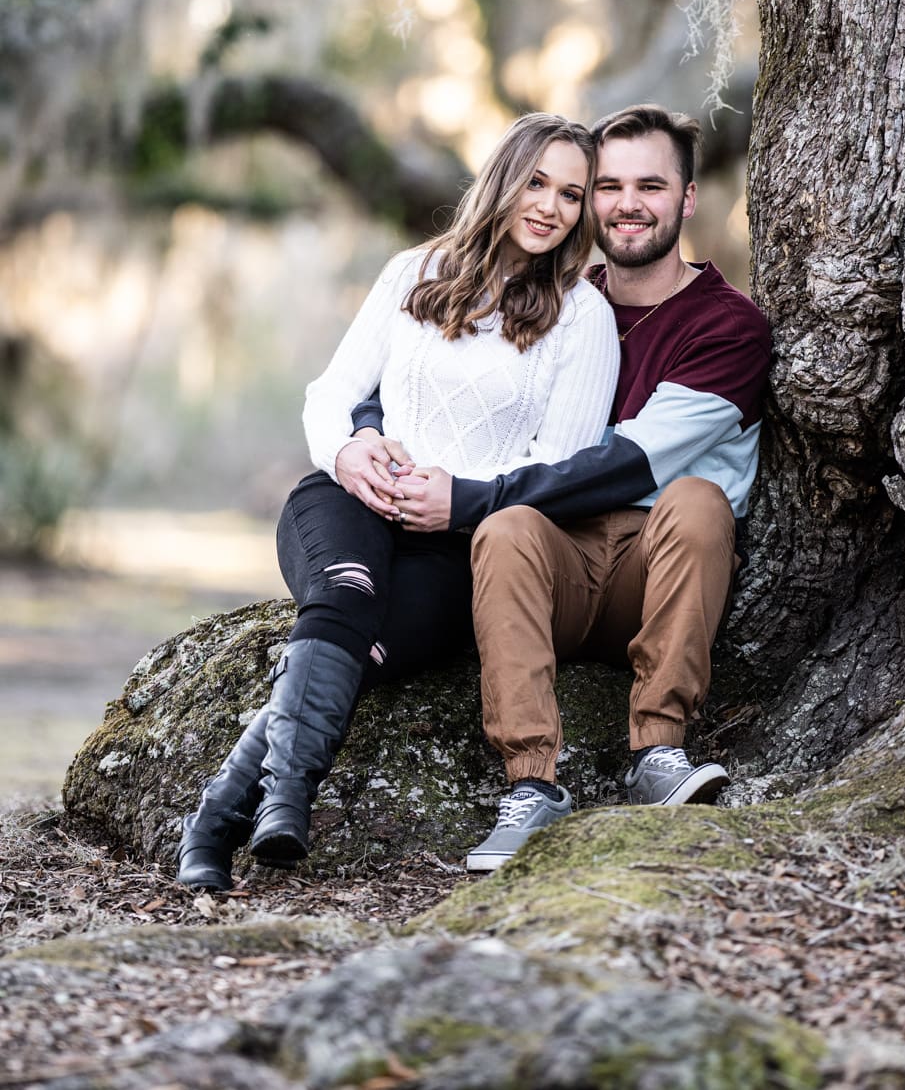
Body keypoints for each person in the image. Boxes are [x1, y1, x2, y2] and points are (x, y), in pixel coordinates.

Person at [176, 113, 620, 891]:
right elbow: (332, 395)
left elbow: (561, 461)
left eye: (572, 195)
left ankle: (215, 818)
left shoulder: (583, 318)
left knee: (365, 653)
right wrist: (348, 451)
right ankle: (285, 801)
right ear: (504, 178)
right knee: (346, 595)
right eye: (538, 182)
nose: (551, 206)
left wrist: (459, 499)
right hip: (349, 503)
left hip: (458, 544)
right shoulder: (417, 271)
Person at [359, 104, 771, 870]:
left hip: (657, 566)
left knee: (697, 499)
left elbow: (632, 464)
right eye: (607, 186)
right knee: (510, 527)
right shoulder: (558, 301)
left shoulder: (728, 327)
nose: (627, 204)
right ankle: (531, 786)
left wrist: (468, 498)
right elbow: (429, 363)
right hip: (558, 567)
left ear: (687, 199)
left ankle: (657, 751)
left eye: (651, 185)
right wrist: (362, 425)